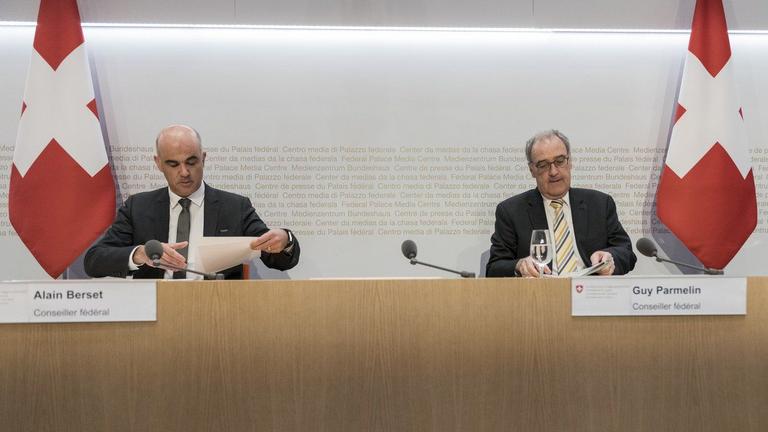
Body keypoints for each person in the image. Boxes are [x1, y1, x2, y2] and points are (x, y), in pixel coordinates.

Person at [84, 124, 299, 279]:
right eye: (173, 164)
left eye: (191, 162)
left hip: (217, 311)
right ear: (158, 163)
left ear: (203, 158)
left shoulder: (235, 207)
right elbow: (94, 261)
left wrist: (285, 239)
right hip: (154, 313)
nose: (184, 172)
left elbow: (279, 259)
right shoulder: (138, 207)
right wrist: (140, 254)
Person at [486, 130, 635, 277]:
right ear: (532, 170)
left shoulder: (600, 204)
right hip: (540, 290)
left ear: (570, 162)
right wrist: (519, 266)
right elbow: (494, 267)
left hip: (590, 289)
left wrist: (610, 257)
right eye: (543, 165)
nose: (553, 172)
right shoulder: (511, 211)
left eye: (560, 161)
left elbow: (626, 252)